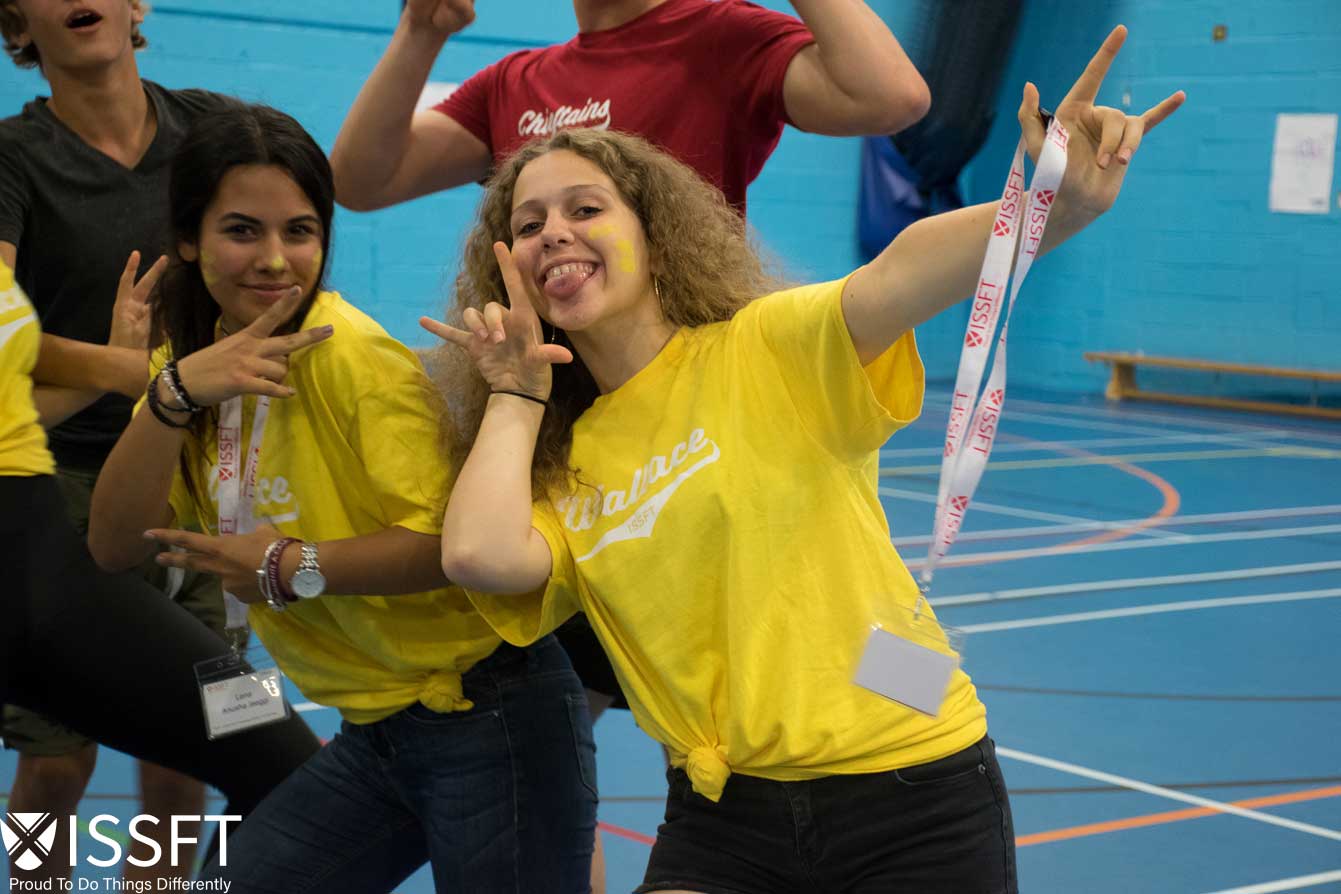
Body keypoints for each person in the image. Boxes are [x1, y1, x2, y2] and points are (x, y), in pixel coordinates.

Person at [425, 26, 1184, 894]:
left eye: (585, 209)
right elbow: (479, 556)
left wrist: (1049, 203)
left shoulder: (765, 347)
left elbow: (899, 272)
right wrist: (516, 392)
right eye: (527, 225)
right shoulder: (564, 461)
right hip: (721, 819)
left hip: (910, 793)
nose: (554, 233)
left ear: (655, 234)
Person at [87, 102, 598, 894]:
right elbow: (115, 547)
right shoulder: (188, 361)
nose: (274, 259)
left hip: (490, 711)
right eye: (242, 230)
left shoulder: (352, 357)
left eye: (299, 231)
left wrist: (291, 566)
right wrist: (172, 393)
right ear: (187, 239)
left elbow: (451, 549)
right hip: (376, 731)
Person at [0, 1, 244, 880]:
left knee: (197, 747)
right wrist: (118, 368)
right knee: (57, 763)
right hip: (56, 484)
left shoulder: (214, 130)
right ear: (18, 29)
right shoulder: (12, 157)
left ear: (137, 7)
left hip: (196, 480)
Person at [0, 256, 321, 874]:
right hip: (44, 550)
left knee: (287, 768)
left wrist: (140, 378)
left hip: (48, 561)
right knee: (53, 767)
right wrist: (165, 382)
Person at [331, 0, 930, 215]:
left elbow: (891, 97)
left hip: (685, 386)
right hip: (549, 392)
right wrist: (420, 32)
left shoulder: (722, 37)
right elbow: (360, 183)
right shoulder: (512, 82)